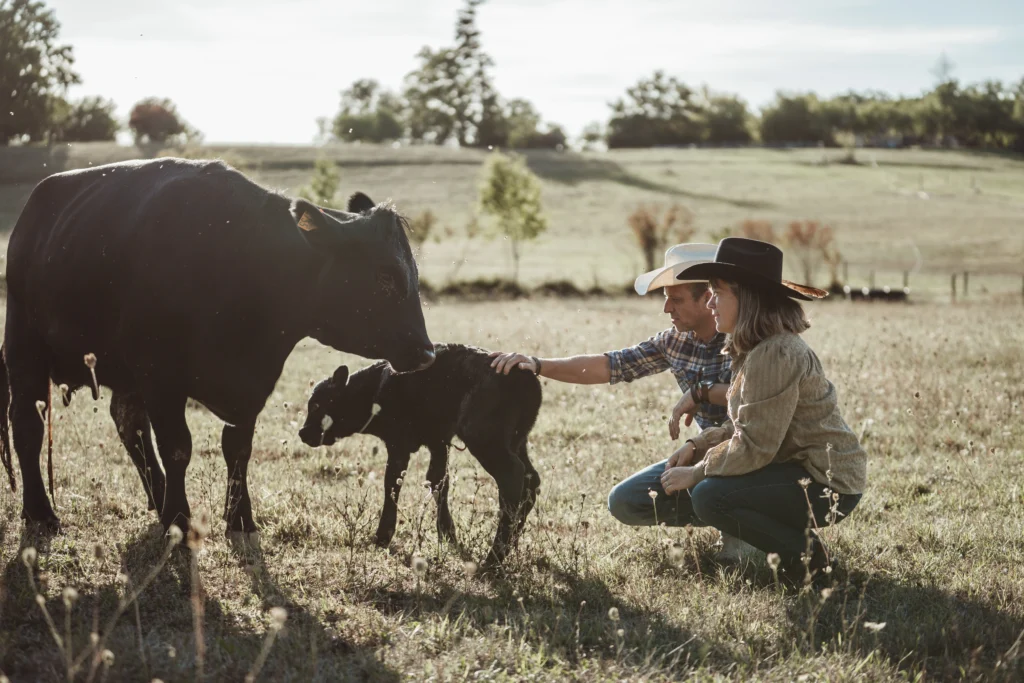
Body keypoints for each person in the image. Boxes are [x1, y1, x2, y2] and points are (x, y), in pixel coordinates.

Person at [489, 243, 753, 560]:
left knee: (746, 555)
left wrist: (702, 393)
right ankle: (728, 516)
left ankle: (753, 526)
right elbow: (608, 365)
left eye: (677, 299)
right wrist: (538, 364)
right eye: (665, 298)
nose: (667, 308)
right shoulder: (674, 341)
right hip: (707, 455)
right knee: (627, 501)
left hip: (753, 455)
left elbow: (754, 397)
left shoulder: (749, 338)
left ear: (708, 298)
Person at [660, 237, 867, 585]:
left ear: (747, 297)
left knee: (710, 495)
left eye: (718, 292)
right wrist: (699, 445)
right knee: (706, 491)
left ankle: (814, 564)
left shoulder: (776, 354)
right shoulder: (757, 349)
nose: (710, 302)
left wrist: (698, 472)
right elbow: (748, 422)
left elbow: (755, 445)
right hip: (798, 471)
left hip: (826, 481)